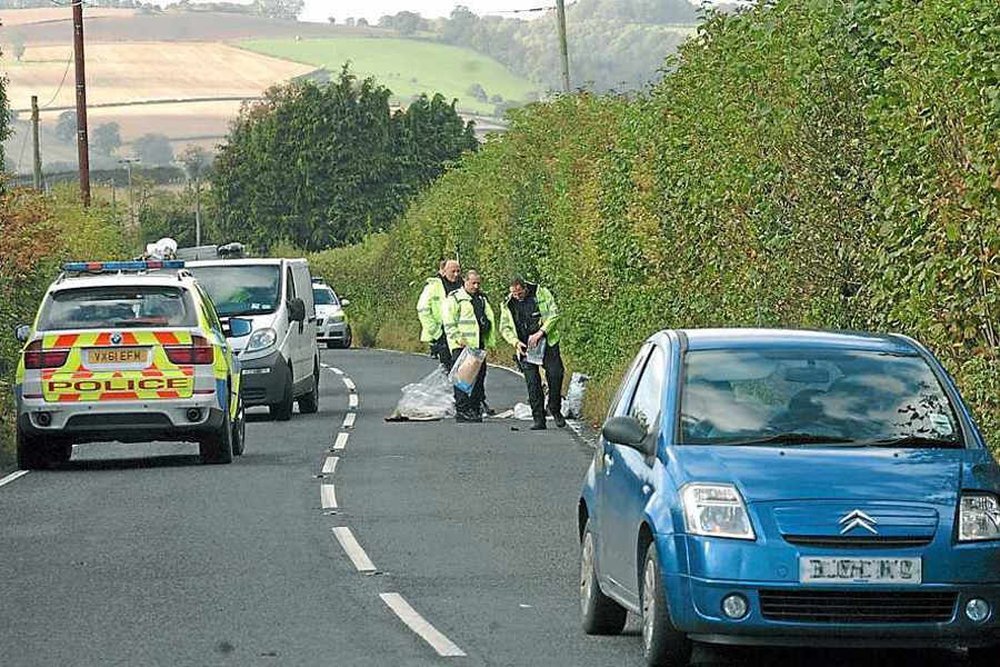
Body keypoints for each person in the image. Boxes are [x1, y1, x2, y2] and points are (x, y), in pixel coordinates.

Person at [500, 277, 566, 430]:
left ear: (525, 288)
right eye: (514, 294)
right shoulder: (508, 304)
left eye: (519, 293)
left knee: (556, 375)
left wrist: (541, 333)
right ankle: (538, 418)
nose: (517, 296)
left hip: (546, 342)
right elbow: (505, 328)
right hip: (525, 347)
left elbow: (554, 314)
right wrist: (515, 342)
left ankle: (555, 407)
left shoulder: (541, 293)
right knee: (532, 382)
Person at [442, 270, 496, 423]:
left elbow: (486, 318)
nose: (476, 286)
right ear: (465, 281)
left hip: (478, 345)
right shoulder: (455, 299)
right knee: (463, 380)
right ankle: (463, 410)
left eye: (478, 283)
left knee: (479, 378)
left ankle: (474, 407)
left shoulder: (481, 298)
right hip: (462, 346)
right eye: (473, 283)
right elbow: (449, 322)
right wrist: (458, 339)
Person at [417, 259, 462, 371]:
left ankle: (458, 387)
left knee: (461, 367)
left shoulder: (463, 286)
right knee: (448, 367)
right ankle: (450, 386)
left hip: (459, 332)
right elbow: (423, 310)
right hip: (442, 333)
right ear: (444, 271)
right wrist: (437, 332)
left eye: (458, 271)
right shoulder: (433, 287)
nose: (456, 274)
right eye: (453, 271)